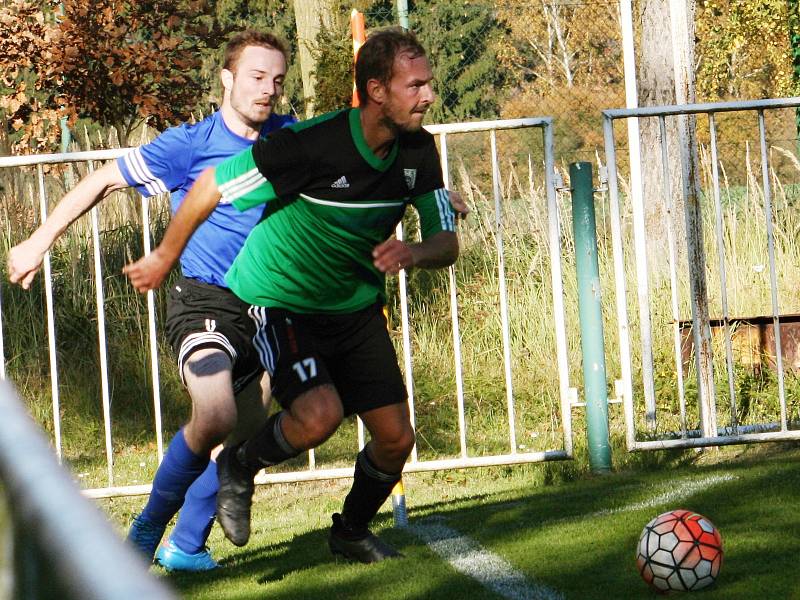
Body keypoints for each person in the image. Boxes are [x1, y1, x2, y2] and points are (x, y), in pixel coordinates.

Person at [123, 27, 459, 564]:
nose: (428, 96)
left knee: (396, 440)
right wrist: (164, 257)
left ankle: (349, 531)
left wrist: (414, 253)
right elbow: (210, 186)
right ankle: (237, 466)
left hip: (356, 309)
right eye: (414, 85)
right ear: (376, 90)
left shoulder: (419, 150)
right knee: (319, 415)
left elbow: (447, 240)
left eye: (428, 84)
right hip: (281, 301)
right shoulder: (314, 143)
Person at [6, 30, 296, 572]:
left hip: (268, 308)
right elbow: (102, 182)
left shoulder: (289, 137)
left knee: (243, 438)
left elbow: (355, 170)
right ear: (228, 80)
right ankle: (145, 528)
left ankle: (186, 545)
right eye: (257, 77)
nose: (268, 90)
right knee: (213, 413)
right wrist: (39, 240)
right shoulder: (188, 145)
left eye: (276, 80)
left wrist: (430, 190)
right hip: (203, 298)